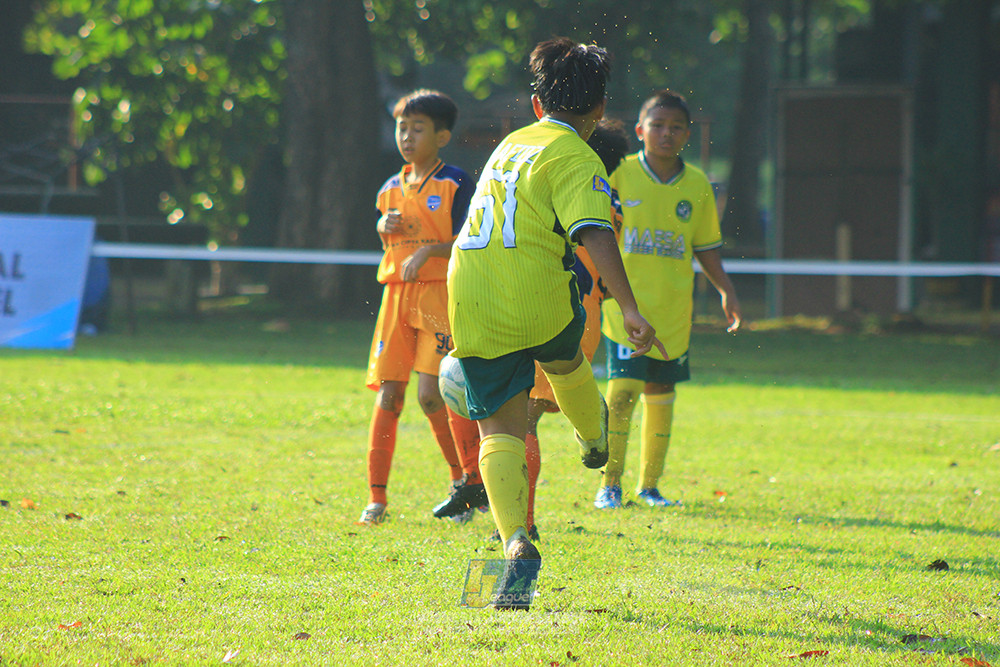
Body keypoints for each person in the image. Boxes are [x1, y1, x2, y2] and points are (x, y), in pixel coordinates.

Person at [447, 38, 665, 609]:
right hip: (534, 291)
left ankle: (516, 542)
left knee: (499, 429)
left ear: (538, 105)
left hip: (468, 290)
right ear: (598, 112)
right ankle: (594, 440)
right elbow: (594, 231)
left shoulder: (511, 143)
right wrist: (632, 308)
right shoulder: (577, 155)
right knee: (565, 359)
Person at [595, 89, 742, 510]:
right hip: (624, 306)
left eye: (675, 127)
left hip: (673, 309)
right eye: (657, 125)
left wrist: (726, 290)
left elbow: (705, 247)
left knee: (660, 390)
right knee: (622, 391)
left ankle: (649, 486)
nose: (666, 134)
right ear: (640, 130)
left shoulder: (696, 184)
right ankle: (609, 484)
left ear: (687, 134)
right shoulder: (618, 173)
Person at [358, 89, 481, 526]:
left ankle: (464, 483)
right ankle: (376, 499)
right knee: (389, 395)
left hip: (439, 298)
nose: (407, 137)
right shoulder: (389, 187)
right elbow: (389, 235)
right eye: (401, 127)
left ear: (442, 136)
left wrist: (430, 251)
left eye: (418, 128)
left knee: (433, 396)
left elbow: (471, 242)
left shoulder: (457, 183)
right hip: (396, 297)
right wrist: (380, 224)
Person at [519, 119, 630, 540]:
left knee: (521, 420)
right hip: (587, 317)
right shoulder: (611, 199)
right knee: (534, 412)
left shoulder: (567, 191)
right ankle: (586, 413)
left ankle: (521, 523)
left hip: (556, 310)